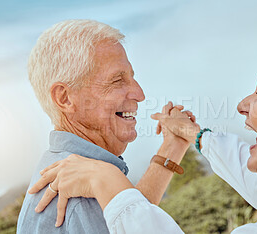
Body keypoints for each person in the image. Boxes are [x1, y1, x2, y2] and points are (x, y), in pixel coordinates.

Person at [29, 48, 257, 233]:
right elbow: (242, 165)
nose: (242, 105)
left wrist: (105, 181)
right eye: (117, 80)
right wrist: (191, 137)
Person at [18, 19, 194, 233]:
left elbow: (131, 219)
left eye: (132, 77)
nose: (139, 94)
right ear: (64, 98)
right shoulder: (80, 195)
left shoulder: (76, 171)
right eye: (118, 80)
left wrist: (173, 145)